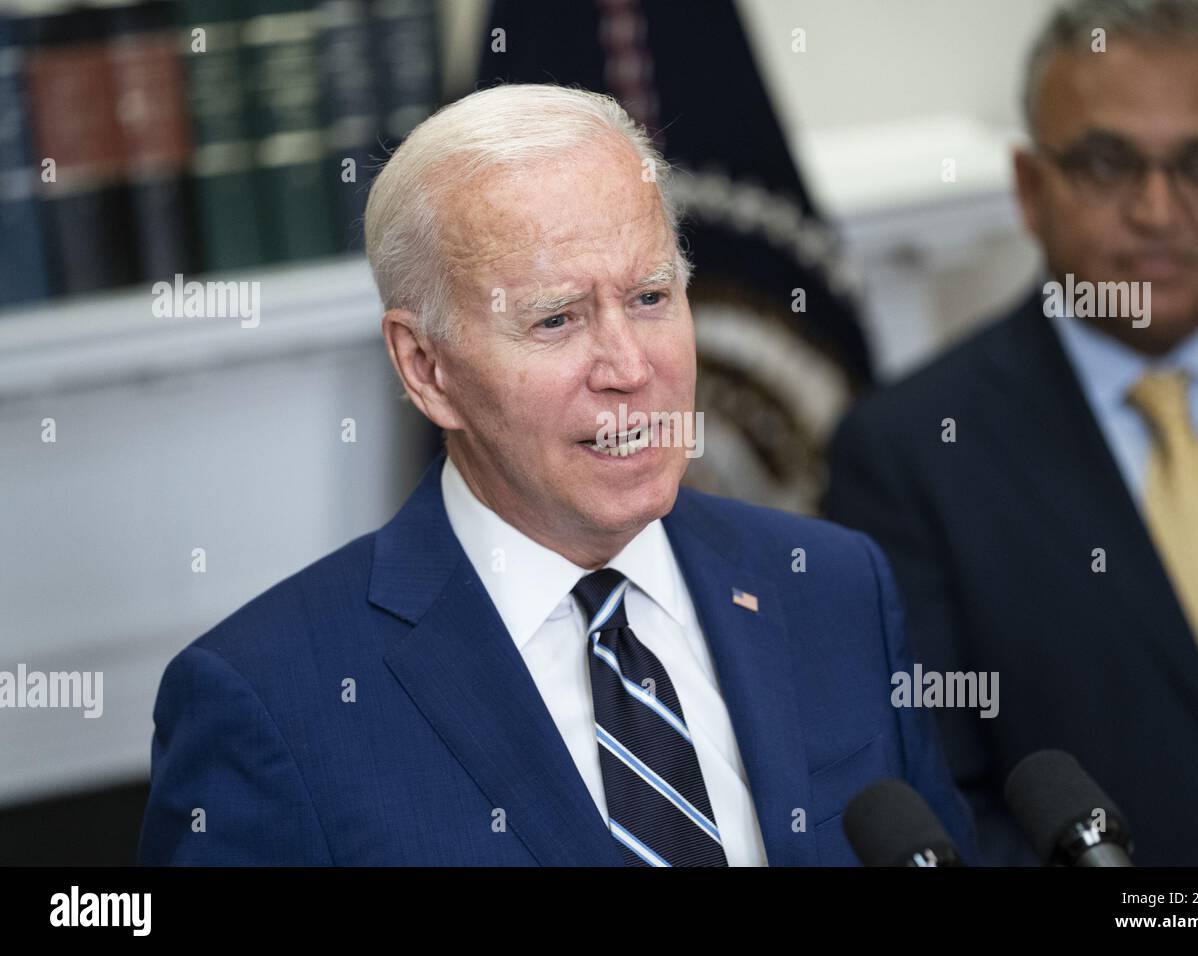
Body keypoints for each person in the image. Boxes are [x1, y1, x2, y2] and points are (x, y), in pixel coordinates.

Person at [137, 84, 975, 867]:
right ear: (426, 367)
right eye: (556, 319)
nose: (628, 366)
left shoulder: (835, 589)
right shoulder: (270, 703)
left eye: (651, 298)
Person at [827, 0, 1198, 866]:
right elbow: (933, 802)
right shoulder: (909, 454)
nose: (1157, 211)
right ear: (1031, 188)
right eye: (1107, 162)